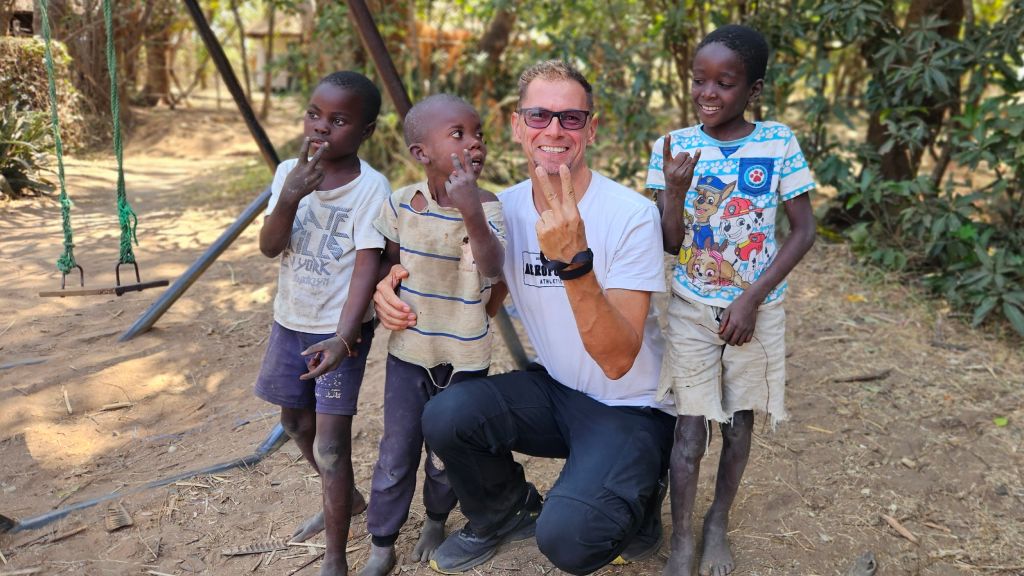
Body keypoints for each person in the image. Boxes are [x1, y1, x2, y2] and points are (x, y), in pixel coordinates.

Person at [374, 60, 674, 576]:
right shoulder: (500, 209)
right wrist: (393, 291)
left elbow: (619, 360)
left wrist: (575, 265)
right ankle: (505, 512)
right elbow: (475, 295)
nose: (553, 130)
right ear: (517, 126)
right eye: (538, 116)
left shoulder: (629, 214)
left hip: (631, 407)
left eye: (571, 118)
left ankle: (642, 501)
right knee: (447, 413)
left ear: (591, 128)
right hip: (556, 392)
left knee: (570, 543)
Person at [645, 25, 816, 576]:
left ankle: (718, 520)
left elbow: (803, 231)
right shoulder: (672, 147)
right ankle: (682, 539)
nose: (708, 92)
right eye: (699, 80)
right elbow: (671, 244)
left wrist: (750, 299)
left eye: (724, 81)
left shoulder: (778, 141)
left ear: (753, 88)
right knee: (689, 431)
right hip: (692, 308)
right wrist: (673, 192)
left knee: (739, 425)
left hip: (756, 310)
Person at [357, 94, 506, 576]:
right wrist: (386, 289)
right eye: (458, 134)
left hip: (465, 357)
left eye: (478, 133)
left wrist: (471, 213)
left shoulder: (489, 207)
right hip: (410, 351)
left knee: (445, 451)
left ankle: (437, 519)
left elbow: (493, 267)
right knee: (397, 448)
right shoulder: (401, 203)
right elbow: (389, 262)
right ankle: (382, 540)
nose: (475, 143)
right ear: (422, 154)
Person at [254, 71, 390, 576]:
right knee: (294, 423)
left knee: (331, 445)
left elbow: (365, 266)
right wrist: (289, 195)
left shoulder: (371, 188)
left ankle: (335, 557)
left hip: (339, 330)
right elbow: (270, 248)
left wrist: (344, 336)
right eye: (314, 114)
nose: (321, 127)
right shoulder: (290, 171)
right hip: (291, 319)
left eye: (338, 120)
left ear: (365, 131)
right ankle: (349, 500)